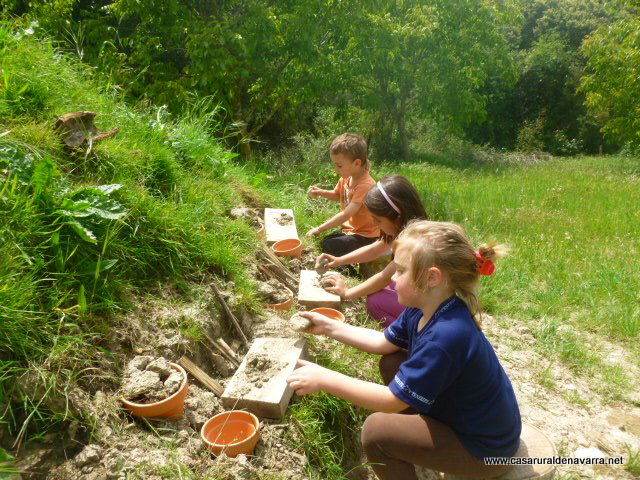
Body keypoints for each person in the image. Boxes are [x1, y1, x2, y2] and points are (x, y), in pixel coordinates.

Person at [287, 220, 521, 480]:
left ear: (432, 277)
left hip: (486, 452)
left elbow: (391, 400)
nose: (392, 279)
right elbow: (382, 343)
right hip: (462, 422)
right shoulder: (424, 306)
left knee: (377, 432)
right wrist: (330, 328)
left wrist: (325, 379)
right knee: (391, 362)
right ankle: (418, 446)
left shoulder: (447, 335)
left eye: (400, 271)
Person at [317, 175, 427, 327]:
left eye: (378, 220)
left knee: (375, 301)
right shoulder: (406, 229)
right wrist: (339, 260)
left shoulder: (413, 244)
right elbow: (375, 249)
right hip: (424, 288)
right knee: (388, 287)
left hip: (430, 303)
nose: (375, 223)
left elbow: (384, 277)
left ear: (397, 215)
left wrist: (347, 293)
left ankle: (409, 333)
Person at [306, 133, 379, 258]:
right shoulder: (346, 178)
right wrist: (320, 192)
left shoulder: (365, 185)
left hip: (367, 236)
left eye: (339, 165)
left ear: (356, 163)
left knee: (330, 246)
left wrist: (319, 229)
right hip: (352, 230)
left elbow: (346, 214)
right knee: (326, 242)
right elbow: (337, 195)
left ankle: (348, 272)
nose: (336, 169)